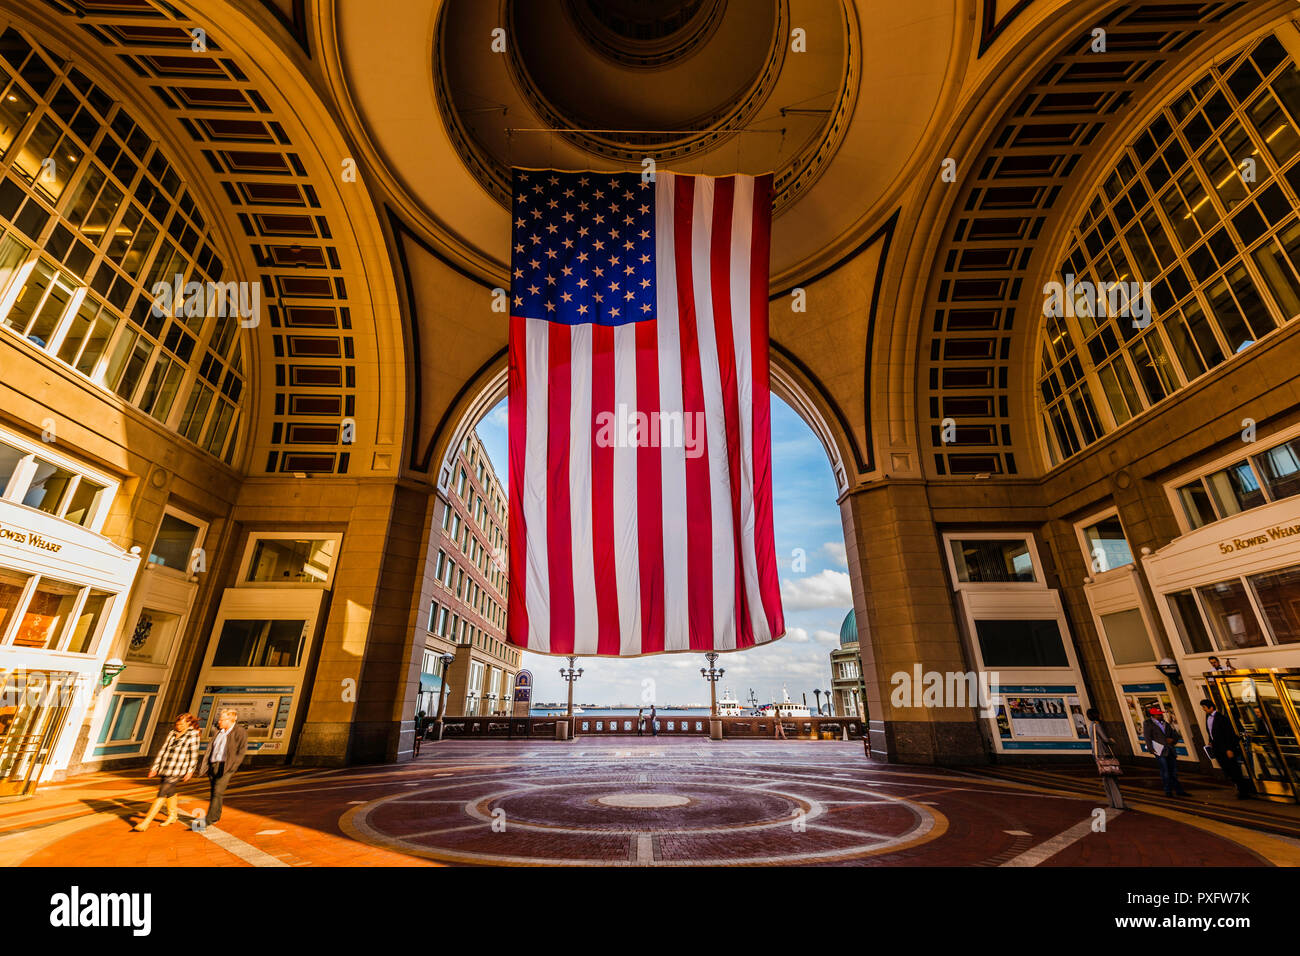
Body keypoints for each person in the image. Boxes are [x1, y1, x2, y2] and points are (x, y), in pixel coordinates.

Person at [134, 714, 200, 831]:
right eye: (177, 723)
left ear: (188, 723)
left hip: (178, 768)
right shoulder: (172, 733)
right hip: (165, 767)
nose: (178, 726)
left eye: (182, 724)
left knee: (162, 792)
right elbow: (163, 750)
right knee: (170, 791)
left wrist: (190, 771)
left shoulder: (193, 734)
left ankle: (146, 822)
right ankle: (173, 815)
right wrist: (155, 767)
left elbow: (193, 755)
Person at [193, 709, 248, 829]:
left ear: (231, 720)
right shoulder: (219, 731)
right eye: (219, 719)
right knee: (215, 792)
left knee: (218, 791)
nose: (219, 721)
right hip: (214, 764)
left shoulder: (239, 731)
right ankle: (216, 816)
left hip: (226, 766)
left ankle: (208, 819)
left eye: (222, 719)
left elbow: (242, 750)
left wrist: (233, 766)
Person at [1200, 698, 1252, 799]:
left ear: (1211, 707)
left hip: (1226, 748)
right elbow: (1210, 731)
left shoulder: (1221, 718)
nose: (1203, 709)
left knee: (1234, 769)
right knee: (1227, 769)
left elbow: (1228, 734)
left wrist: (1229, 749)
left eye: (1204, 707)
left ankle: (1243, 791)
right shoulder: (1208, 717)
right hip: (1217, 748)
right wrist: (1210, 740)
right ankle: (1239, 787)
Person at [1142, 704, 1189, 798]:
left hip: (1170, 750)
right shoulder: (1148, 724)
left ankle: (1179, 790)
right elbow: (1147, 737)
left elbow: (1175, 735)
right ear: (1153, 715)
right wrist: (1152, 750)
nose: (1161, 715)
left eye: (1161, 714)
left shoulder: (1166, 724)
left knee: (1174, 772)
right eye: (1158, 714)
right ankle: (1168, 791)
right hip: (1160, 751)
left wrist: (1173, 740)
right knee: (1165, 772)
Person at [1087, 708, 1125, 809]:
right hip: (1104, 753)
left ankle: (1112, 802)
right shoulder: (1097, 725)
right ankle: (1119, 803)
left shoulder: (1091, 726)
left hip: (1097, 754)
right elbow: (1105, 739)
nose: (1101, 715)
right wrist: (1111, 740)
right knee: (1112, 778)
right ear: (1096, 715)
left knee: (1106, 779)